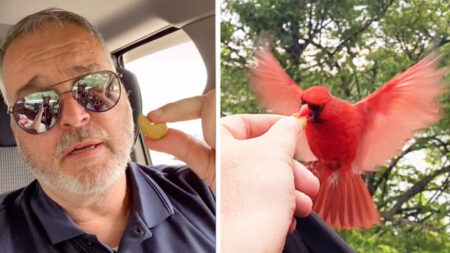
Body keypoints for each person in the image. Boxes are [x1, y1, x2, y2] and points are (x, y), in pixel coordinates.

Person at [0, 8, 215, 253]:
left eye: (93, 88)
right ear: (15, 129)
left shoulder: (208, 191)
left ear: (126, 96)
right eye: (36, 106)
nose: (75, 117)